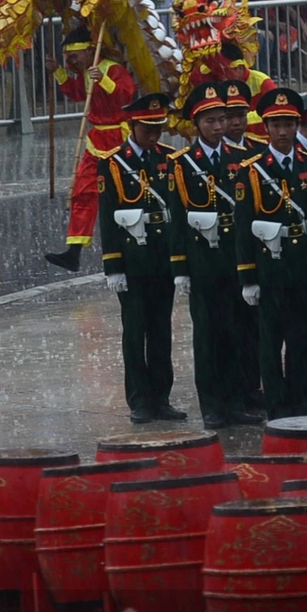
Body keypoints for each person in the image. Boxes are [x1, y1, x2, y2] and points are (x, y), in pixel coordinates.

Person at [232, 88, 307, 417]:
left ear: (297, 125)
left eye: (288, 124)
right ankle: (276, 405)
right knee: (270, 344)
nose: (283, 131)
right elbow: (243, 227)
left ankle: (301, 399)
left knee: (303, 340)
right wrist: (247, 277)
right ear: (266, 128)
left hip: (304, 268)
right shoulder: (252, 170)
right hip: (270, 269)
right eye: (276, 125)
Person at [169, 82, 256, 429]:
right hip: (203, 263)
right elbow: (177, 219)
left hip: (235, 261)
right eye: (211, 121)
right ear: (196, 124)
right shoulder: (183, 164)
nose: (218, 127)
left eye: (222, 120)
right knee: (208, 337)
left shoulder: (241, 161)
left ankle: (237, 401)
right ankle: (212, 406)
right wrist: (181, 268)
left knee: (238, 334)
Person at [99, 92, 186, 423]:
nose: (154, 136)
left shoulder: (169, 159)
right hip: (133, 259)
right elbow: (108, 216)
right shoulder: (113, 163)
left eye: (159, 128)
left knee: (161, 330)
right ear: (133, 125)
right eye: (148, 129)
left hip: (162, 259)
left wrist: (179, 261)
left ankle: (161, 396)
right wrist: (113, 266)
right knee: (135, 332)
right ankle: (139, 399)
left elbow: (176, 212)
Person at [45, 27, 135, 271]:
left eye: (73, 57)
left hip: (119, 137)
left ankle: (131, 245)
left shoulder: (111, 69)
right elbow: (76, 93)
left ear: (88, 51)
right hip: (96, 140)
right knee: (83, 192)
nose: (71, 62)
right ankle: (73, 252)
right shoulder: (85, 74)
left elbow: (126, 96)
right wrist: (58, 73)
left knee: (125, 193)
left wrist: (103, 81)